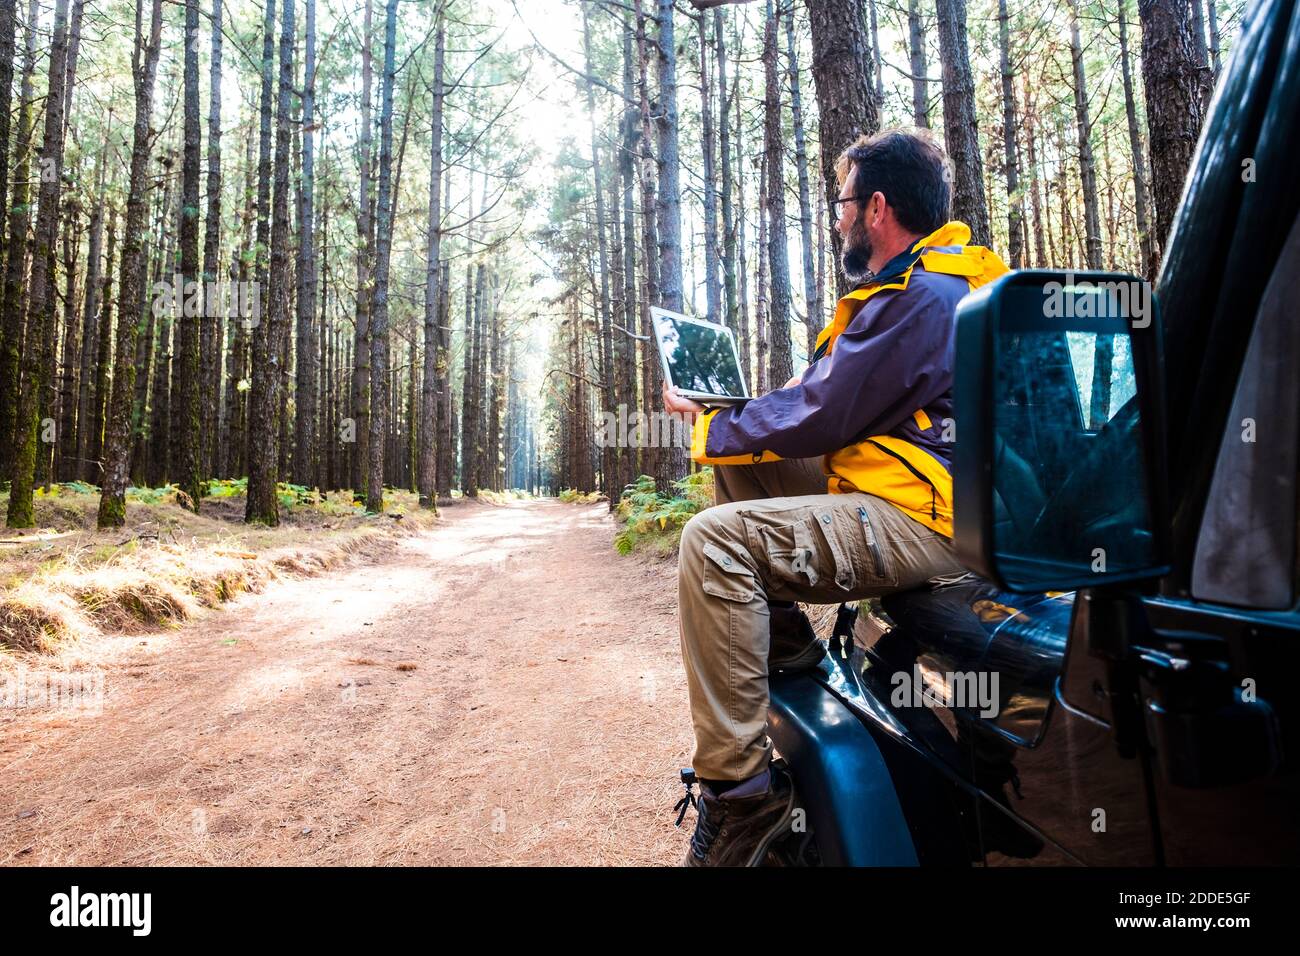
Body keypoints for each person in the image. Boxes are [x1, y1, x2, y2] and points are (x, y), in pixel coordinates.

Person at [662, 128, 1010, 867]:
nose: (837, 218)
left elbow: (826, 411)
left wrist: (719, 419)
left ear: (877, 207)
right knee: (747, 468)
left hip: (928, 515)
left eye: (843, 202)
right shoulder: (928, 284)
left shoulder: (925, 297)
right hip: (911, 488)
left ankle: (741, 801)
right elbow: (825, 401)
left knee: (715, 540)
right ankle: (788, 656)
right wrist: (732, 421)